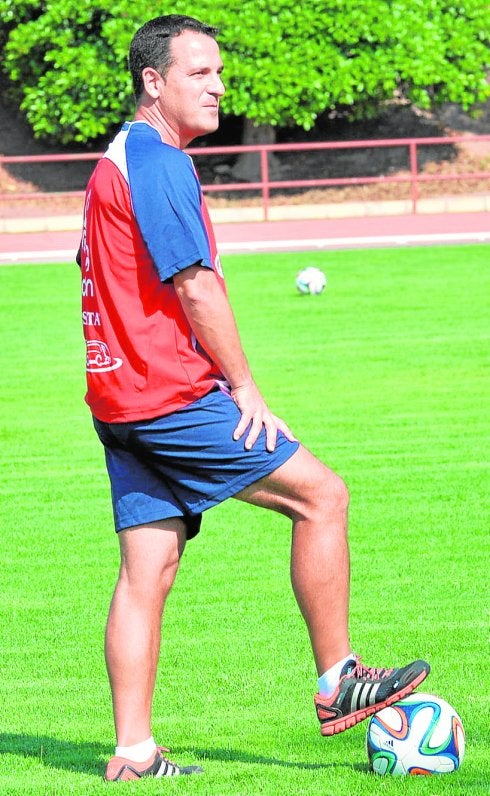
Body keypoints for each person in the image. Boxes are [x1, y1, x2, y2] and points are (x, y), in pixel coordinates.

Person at [78, 14, 430, 782]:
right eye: (199, 74)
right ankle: (341, 682)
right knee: (322, 497)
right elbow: (195, 284)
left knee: (147, 570)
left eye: (220, 73)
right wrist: (242, 386)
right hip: (169, 396)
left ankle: (133, 752)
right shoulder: (160, 163)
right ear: (153, 82)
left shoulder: (119, 160)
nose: (218, 87)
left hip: (118, 400)